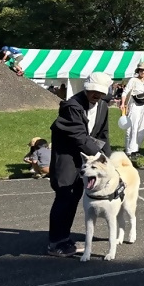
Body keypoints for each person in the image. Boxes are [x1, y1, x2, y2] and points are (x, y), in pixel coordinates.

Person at [47, 72, 112, 257]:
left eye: (100, 92)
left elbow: (103, 136)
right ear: (86, 87)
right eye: (93, 91)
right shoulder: (71, 106)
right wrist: (100, 157)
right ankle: (55, 243)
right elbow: (79, 137)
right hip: (67, 158)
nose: (96, 95)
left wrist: (109, 160)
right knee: (64, 195)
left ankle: (64, 238)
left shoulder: (103, 107)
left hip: (85, 160)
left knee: (75, 195)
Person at [120, 61, 144, 159]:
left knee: (142, 129)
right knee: (132, 128)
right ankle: (129, 150)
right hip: (134, 105)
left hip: (143, 106)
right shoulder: (133, 80)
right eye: (141, 70)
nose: (143, 72)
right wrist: (122, 103)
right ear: (138, 71)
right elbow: (125, 92)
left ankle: (136, 148)